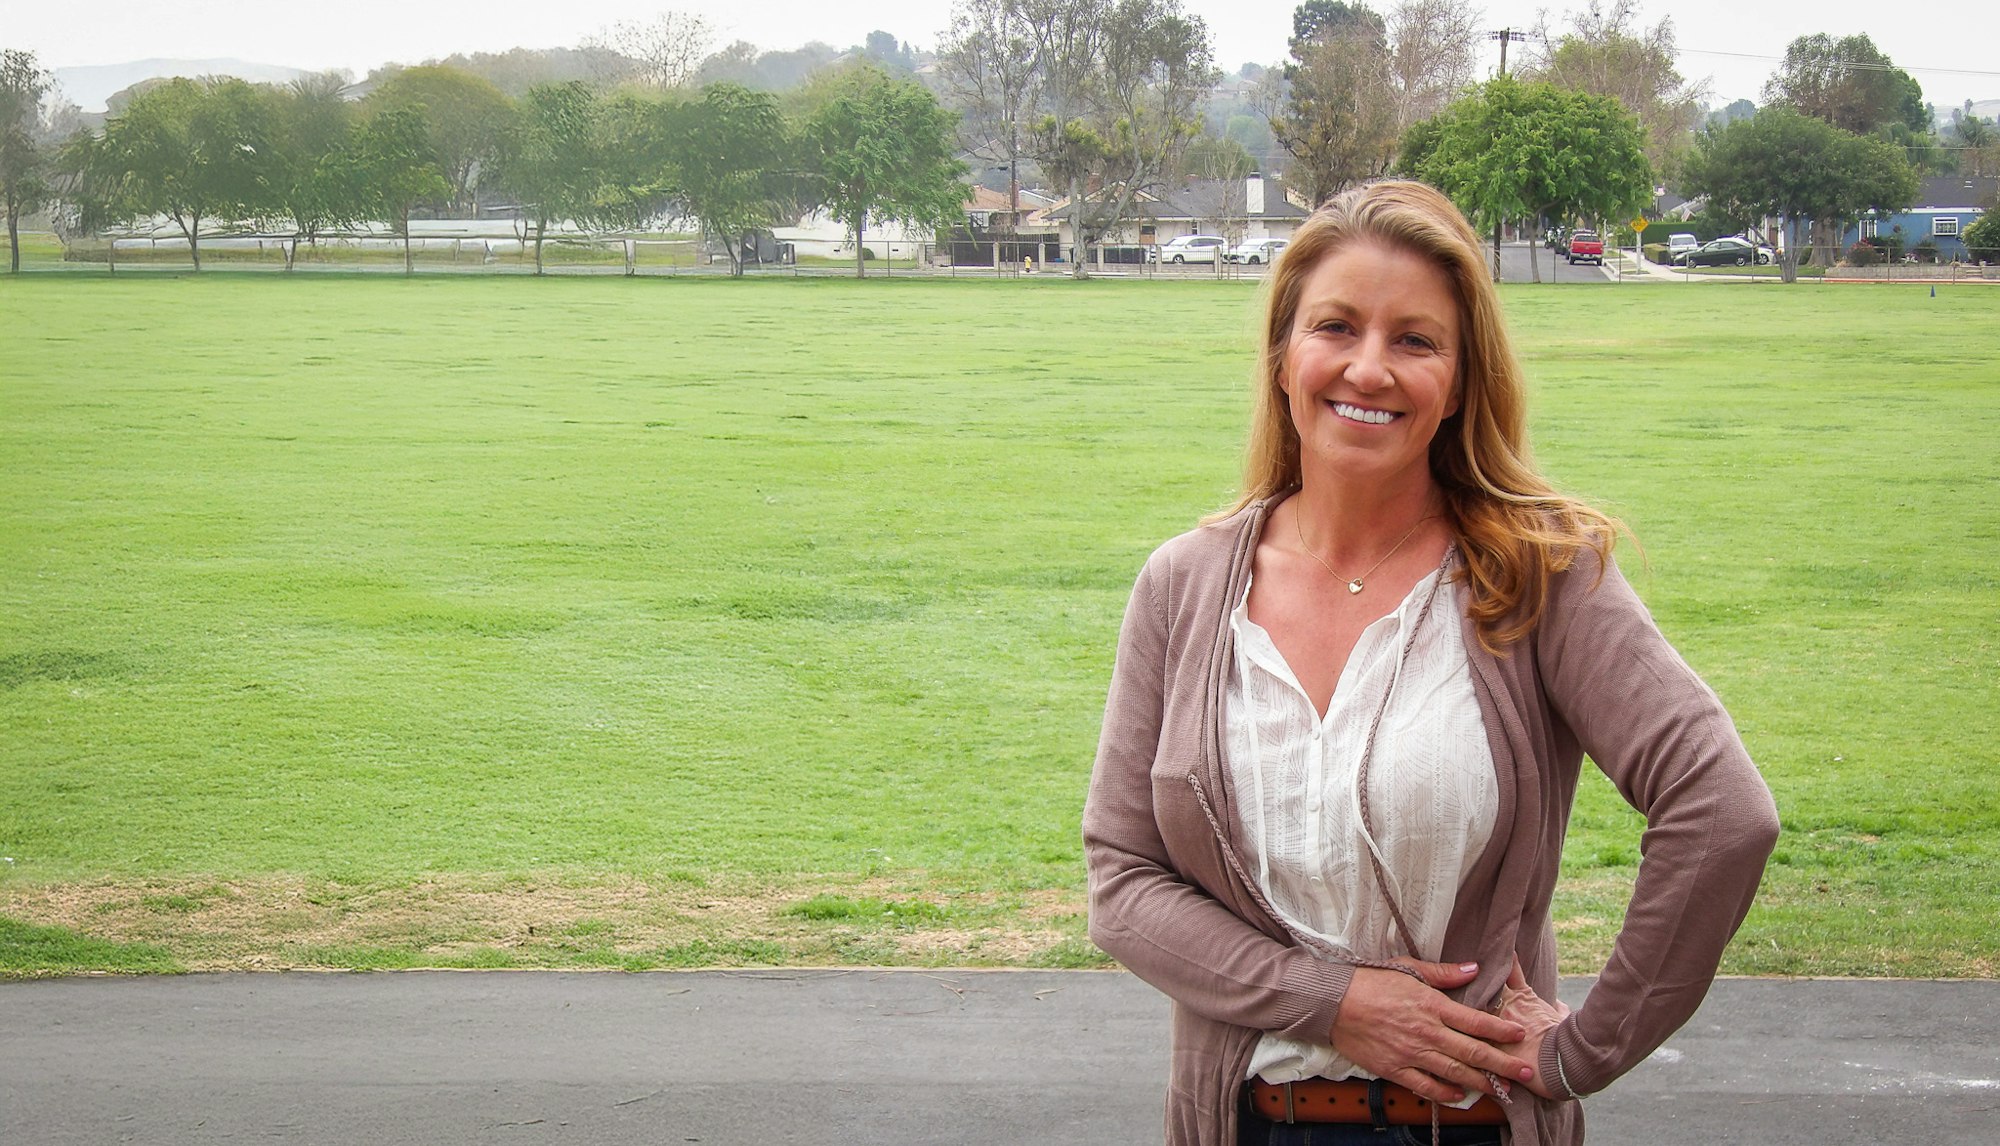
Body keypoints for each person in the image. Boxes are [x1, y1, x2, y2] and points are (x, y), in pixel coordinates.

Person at [1081, 181, 1780, 1146]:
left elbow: (1723, 812)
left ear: (1458, 382)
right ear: (1285, 355)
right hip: (1246, 1121)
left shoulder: (1538, 575)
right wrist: (1330, 1000)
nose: (1369, 369)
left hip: (1469, 1126)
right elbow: (1123, 882)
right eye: (1336, 327)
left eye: (1415, 340)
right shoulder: (1184, 586)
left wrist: (1586, 1050)